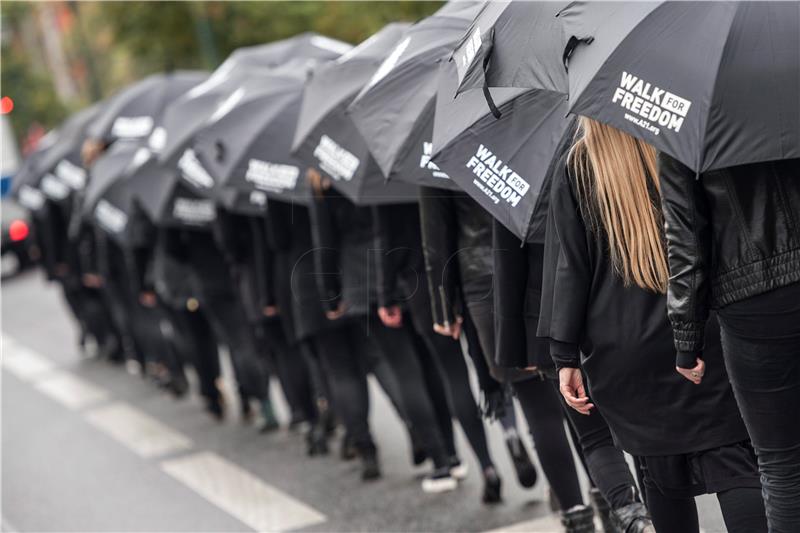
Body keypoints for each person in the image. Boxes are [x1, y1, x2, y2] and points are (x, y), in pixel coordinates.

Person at [541, 117, 767, 533]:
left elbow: (568, 269)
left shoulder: (576, 165)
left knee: (659, 480)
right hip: (702, 332)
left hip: (624, 351)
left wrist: (565, 356)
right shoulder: (684, 140)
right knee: (736, 462)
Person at [418, 185, 590, 526]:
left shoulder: (446, 146)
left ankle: (575, 514)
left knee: (537, 408)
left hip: (482, 282)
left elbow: (437, 240)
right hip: (543, 264)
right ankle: (608, 498)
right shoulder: (530, 132)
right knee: (577, 400)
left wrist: (443, 307)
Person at [658, 154, 800, 532]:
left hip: (750, 303)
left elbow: (685, 237)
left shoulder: (687, 115)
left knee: (781, 463)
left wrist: (687, 336)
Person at [493, 219, 652, 533]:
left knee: (593, 433)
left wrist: (513, 345)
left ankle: (630, 514)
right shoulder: (598, 167)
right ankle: (648, 513)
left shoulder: (520, 176)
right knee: (643, 425)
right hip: (621, 304)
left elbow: (507, 262)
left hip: (551, 316)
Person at [308, 169, 457, 492]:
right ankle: (453, 454)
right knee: (429, 365)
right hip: (406, 270)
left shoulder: (325, 171)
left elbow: (325, 240)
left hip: (362, 283)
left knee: (404, 371)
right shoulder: (384, 157)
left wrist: (330, 293)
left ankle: (440, 459)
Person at [372, 201, 504, 503]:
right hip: (463, 270)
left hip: (420, 282)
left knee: (452, 374)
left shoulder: (387, 175)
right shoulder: (442, 158)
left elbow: (385, 238)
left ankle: (486, 466)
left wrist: (385, 294)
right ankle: (511, 436)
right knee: (484, 363)